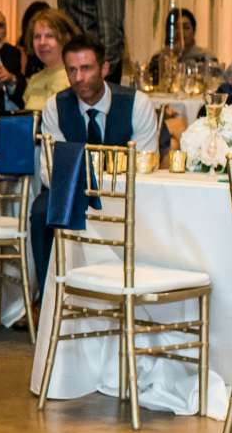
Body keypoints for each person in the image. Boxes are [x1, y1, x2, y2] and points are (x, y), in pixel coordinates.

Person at [32, 35, 158, 290]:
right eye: (72, 70)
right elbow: (50, 171)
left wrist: (108, 186)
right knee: (41, 210)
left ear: (105, 68)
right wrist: (83, 187)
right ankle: (49, 297)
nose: (79, 78)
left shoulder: (137, 104)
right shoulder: (55, 107)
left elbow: (146, 162)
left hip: (125, 192)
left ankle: (134, 288)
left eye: (86, 68)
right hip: (71, 192)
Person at [23, 7, 80, 110]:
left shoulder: (77, 77)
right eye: (37, 37)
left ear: (65, 38)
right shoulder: (34, 80)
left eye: (49, 36)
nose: (42, 42)